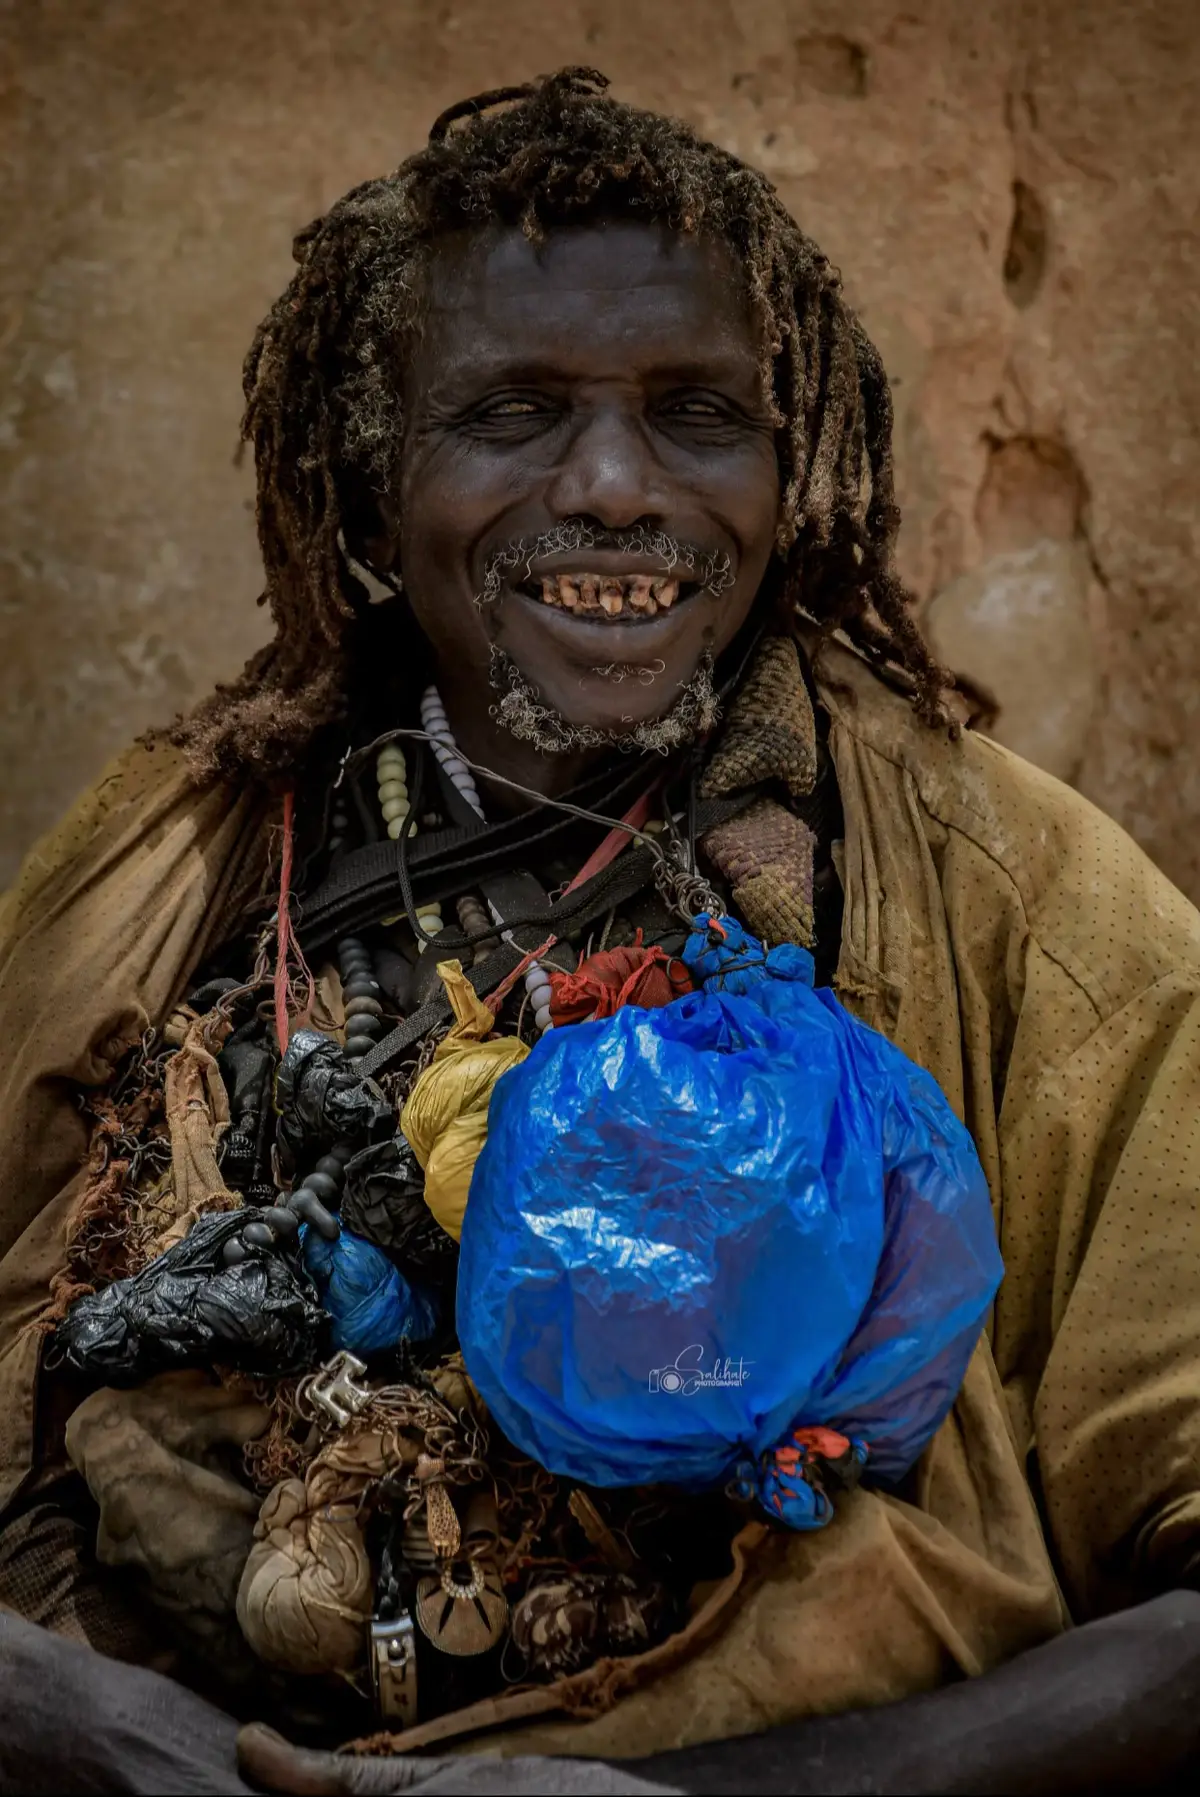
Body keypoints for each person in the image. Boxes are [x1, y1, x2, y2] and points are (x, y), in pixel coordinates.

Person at [2, 67, 1200, 1795]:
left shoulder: (1021, 907)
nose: (621, 486)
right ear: (367, 474)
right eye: (513, 413)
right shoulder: (161, 869)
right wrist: (73, 1725)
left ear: (794, 471)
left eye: (698, 413)